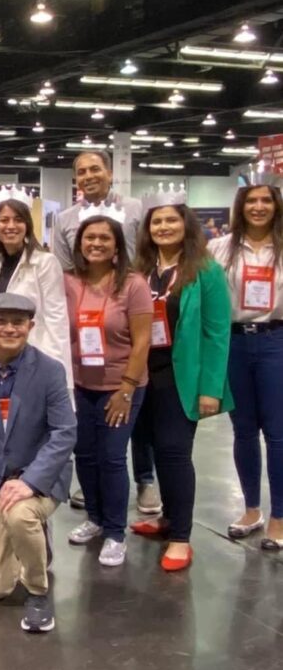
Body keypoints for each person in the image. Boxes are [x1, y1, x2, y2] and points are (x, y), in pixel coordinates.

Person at [0, 293, 76, 633]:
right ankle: (33, 543)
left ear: (30, 326)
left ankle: (38, 590)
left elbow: (64, 432)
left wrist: (30, 482)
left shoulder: (50, 370)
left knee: (21, 516)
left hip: (38, 478)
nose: (9, 328)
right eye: (1, 321)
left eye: (18, 322)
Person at [130, 186, 232, 571]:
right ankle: (168, 519)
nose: (163, 226)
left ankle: (181, 537)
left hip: (180, 375)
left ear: (185, 224)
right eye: (157, 221)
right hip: (143, 374)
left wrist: (211, 389)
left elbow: (217, 333)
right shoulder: (140, 271)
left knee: (174, 451)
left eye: (171, 220)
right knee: (152, 448)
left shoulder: (206, 270)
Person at [52, 151, 156, 514]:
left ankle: (145, 479)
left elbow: (148, 255)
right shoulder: (64, 219)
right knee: (89, 443)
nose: (88, 175)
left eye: (95, 168)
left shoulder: (135, 209)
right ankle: (96, 501)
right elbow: (64, 268)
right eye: (81, 171)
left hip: (128, 310)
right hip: (88, 326)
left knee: (134, 423)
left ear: (110, 173)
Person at [64, 209, 152, 567]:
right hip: (80, 385)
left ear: (117, 246)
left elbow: (143, 341)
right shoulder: (69, 281)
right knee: (84, 454)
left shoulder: (133, 284)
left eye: (104, 238)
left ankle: (116, 532)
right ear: (80, 244)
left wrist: (127, 388)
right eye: (90, 237)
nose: (96, 243)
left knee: (112, 457)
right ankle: (96, 518)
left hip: (121, 385)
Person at [208, 172, 283, 549]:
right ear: (240, 207)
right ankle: (252, 509)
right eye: (251, 201)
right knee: (244, 431)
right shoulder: (220, 248)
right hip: (234, 343)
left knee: (278, 433)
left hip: (276, 341)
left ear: (276, 205)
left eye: (266, 200)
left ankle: (279, 516)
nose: (258, 207)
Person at [0, 186, 73, 389]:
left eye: (18, 220)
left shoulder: (45, 263)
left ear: (27, 225)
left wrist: (59, 376)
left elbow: (56, 320)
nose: (11, 226)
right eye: (4, 220)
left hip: (34, 359)